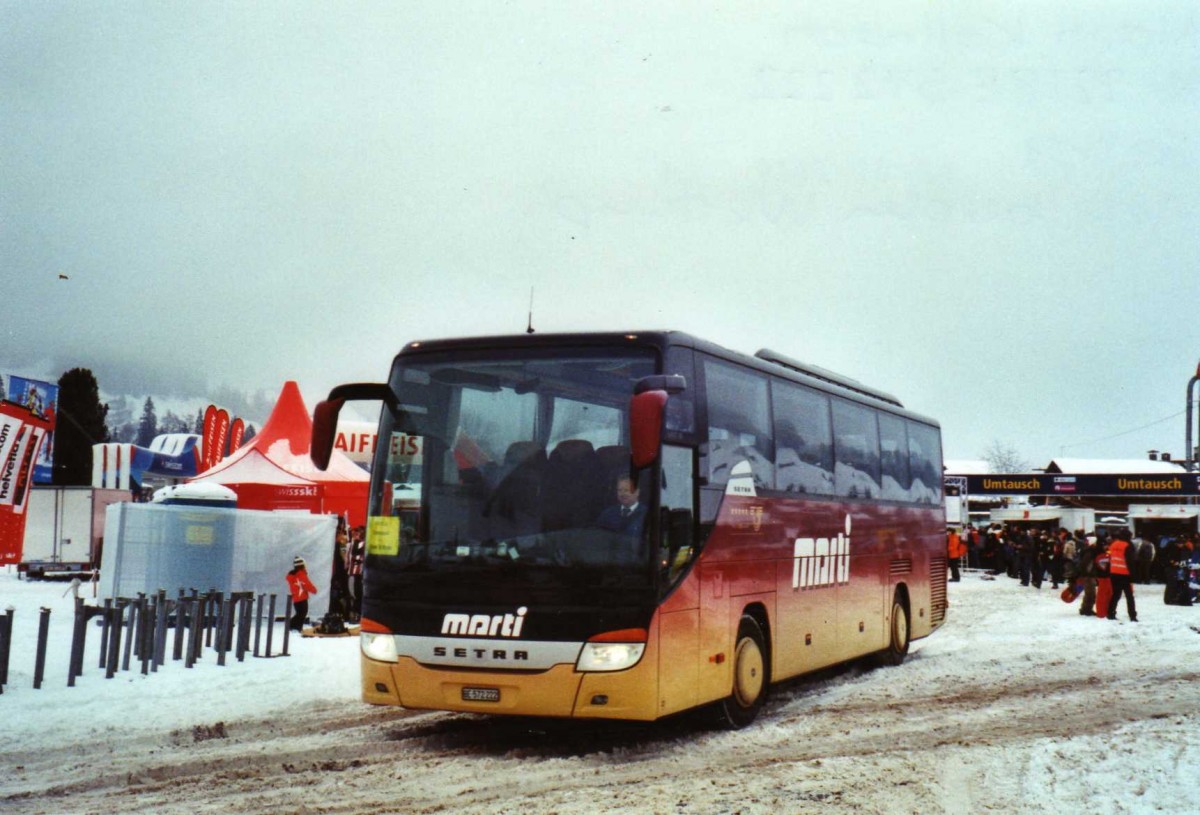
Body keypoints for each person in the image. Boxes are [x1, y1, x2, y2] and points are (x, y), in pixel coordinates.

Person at [1105, 529, 1137, 621]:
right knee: (1129, 596)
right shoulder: (1128, 545)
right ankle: (1132, 615)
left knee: (1115, 594)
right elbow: (1130, 561)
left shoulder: (1113, 544)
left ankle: (1110, 613)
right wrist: (1133, 575)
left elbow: (1109, 557)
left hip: (1114, 572)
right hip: (1125, 573)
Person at [287, 556, 318, 632]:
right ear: (302, 565)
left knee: (299, 613)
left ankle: (293, 626)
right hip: (302, 598)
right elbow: (306, 584)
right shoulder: (301, 575)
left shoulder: (293, 575)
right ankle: (295, 626)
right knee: (302, 614)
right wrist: (314, 590)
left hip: (296, 598)